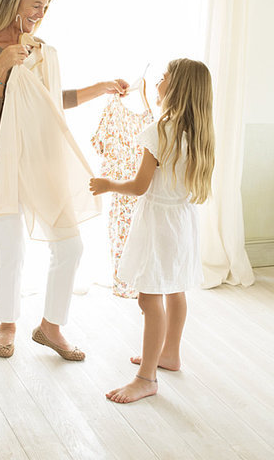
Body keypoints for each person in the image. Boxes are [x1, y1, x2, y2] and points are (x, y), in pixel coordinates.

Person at [0, 0, 129, 361]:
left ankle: (51, 327)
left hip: (36, 159)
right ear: (12, 1)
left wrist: (101, 87)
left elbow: (53, 100)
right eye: (36, 4)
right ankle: (7, 324)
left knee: (70, 245)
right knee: (10, 246)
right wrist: (2, 67)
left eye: (46, 6)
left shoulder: (40, 49)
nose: (41, 13)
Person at [90, 58, 214, 402]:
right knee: (174, 290)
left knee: (149, 296)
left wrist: (108, 184)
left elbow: (140, 186)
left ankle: (146, 378)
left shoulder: (159, 131)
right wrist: (145, 99)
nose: (158, 81)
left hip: (158, 224)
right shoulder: (198, 132)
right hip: (182, 222)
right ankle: (170, 353)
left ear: (174, 89)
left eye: (163, 77)